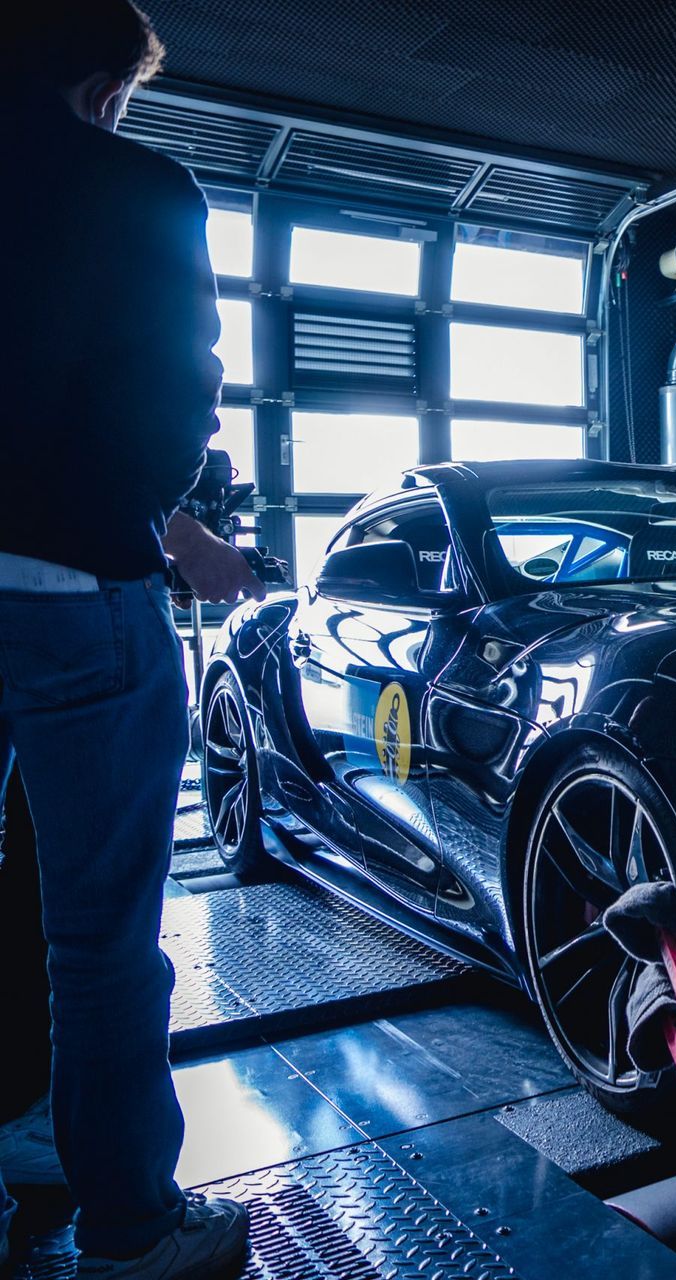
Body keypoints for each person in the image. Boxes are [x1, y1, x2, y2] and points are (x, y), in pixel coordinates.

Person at [0, 3, 263, 1276]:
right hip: (71, 590)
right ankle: (132, 1227)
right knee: (100, 935)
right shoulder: (133, 185)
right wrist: (165, 517)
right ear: (103, 87)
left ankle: (31, 1134)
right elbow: (170, 383)